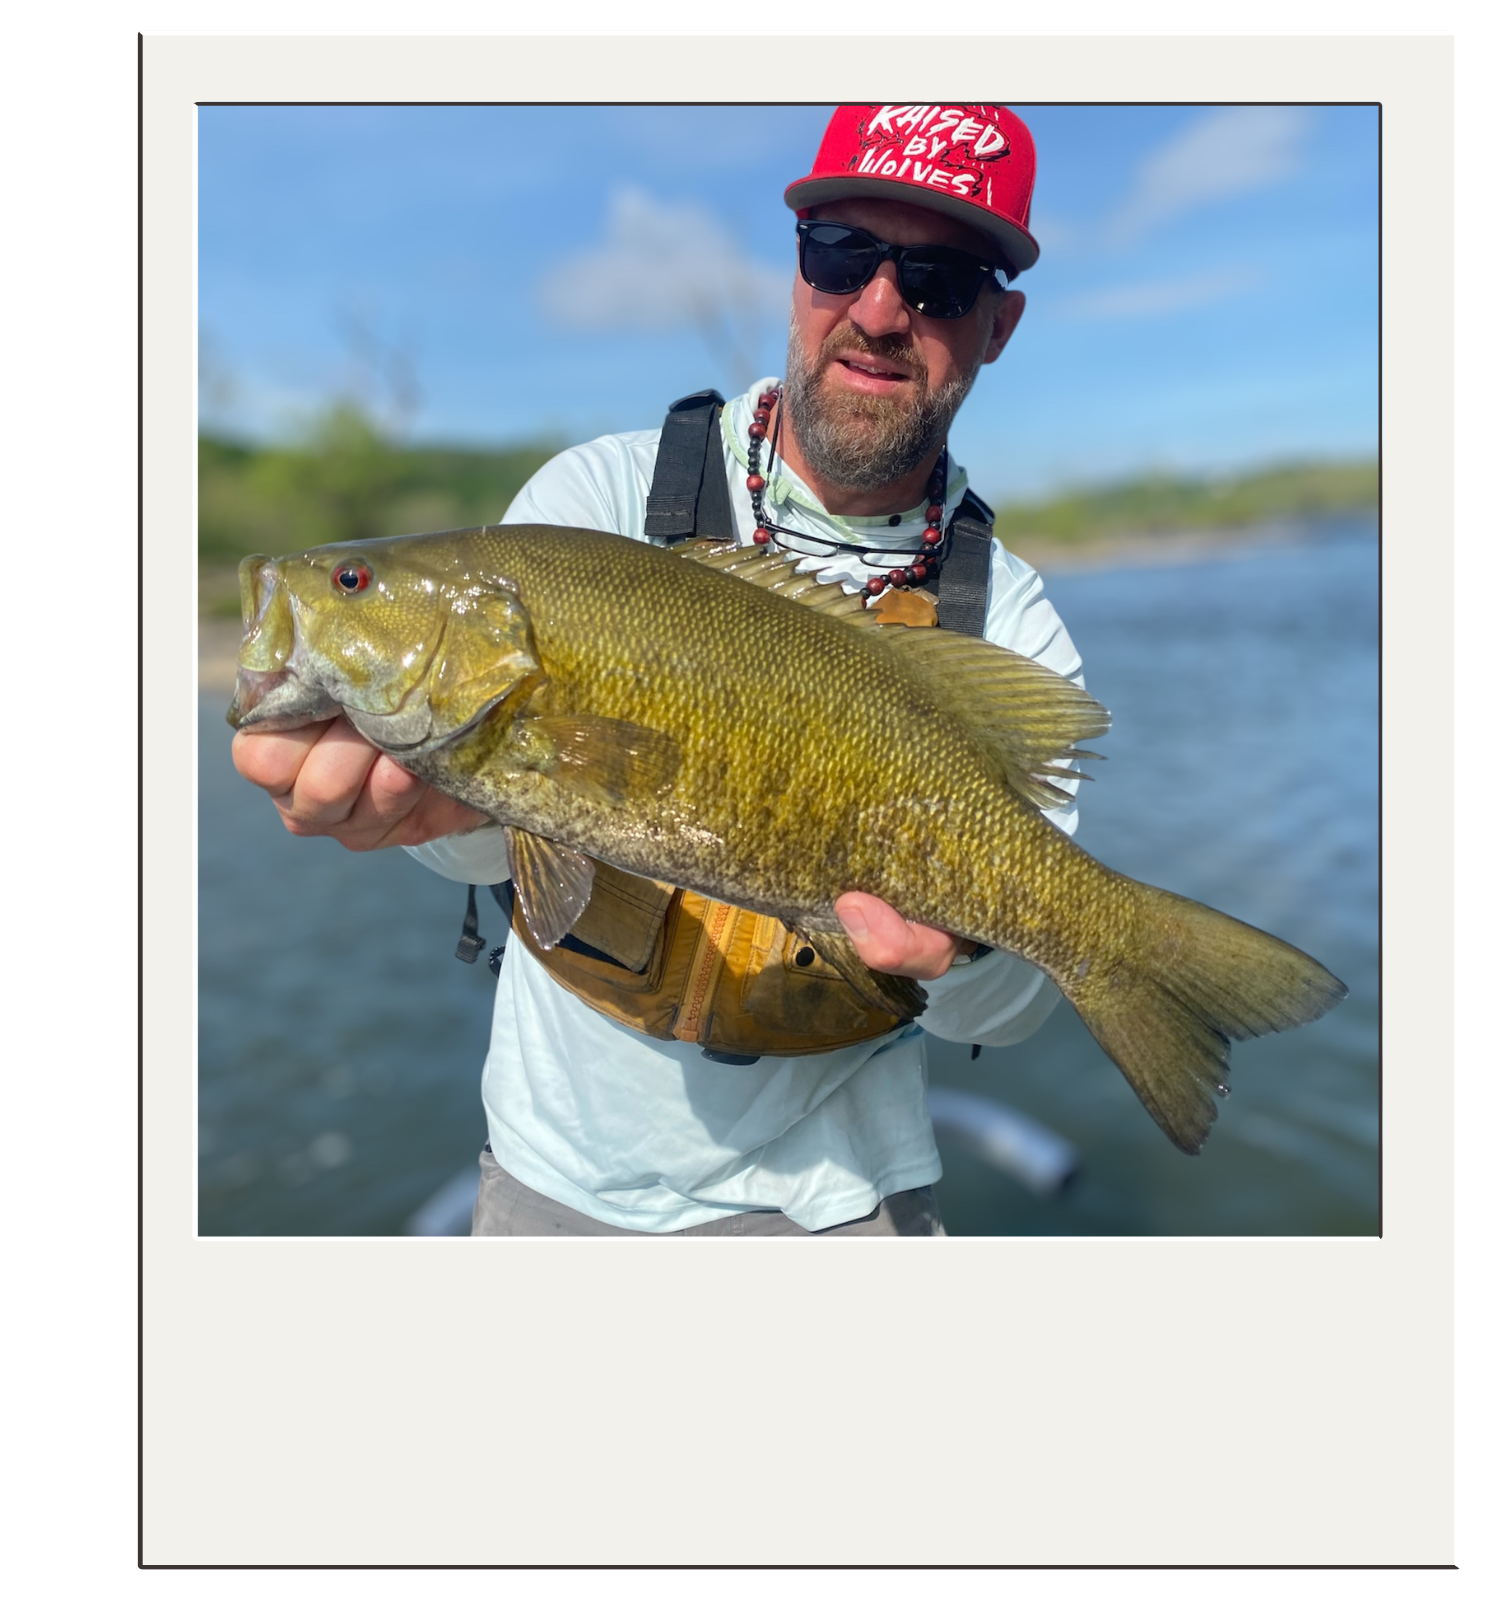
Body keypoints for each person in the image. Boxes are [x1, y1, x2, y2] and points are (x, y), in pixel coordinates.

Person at [232, 104, 1089, 1237]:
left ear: (1000, 324)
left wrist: (964, 942)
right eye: (841, 255)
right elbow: (497, 849)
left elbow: (1015, 1008)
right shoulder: (592, 501)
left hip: (839, 1200)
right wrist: (439, 816)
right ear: (795, 272)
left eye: (940, 280)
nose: (880, 309)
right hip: (552, 1179)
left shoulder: (1013, 620)